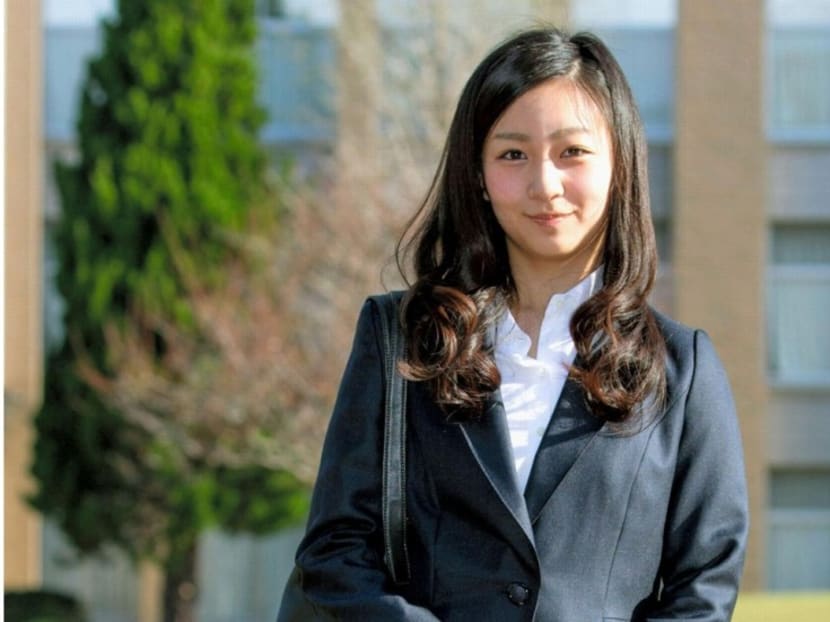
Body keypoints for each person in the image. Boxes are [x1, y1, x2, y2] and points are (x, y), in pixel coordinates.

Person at [277, 26, 748, 621]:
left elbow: (702, 588)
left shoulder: (682, 371)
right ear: (477, 173)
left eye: (572, 152)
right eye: (513, 154)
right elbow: (334, 553)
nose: (544, 184)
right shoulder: (397, 338)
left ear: (620, 164)